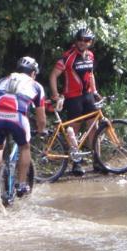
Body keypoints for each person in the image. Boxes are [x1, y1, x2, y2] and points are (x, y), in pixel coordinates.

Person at [0, 56, 47, 199]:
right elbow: (41, 118)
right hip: (17, 118)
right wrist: (41, 130)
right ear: (33, 73)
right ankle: (21, 184)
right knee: (24, 147)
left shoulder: (3, 80)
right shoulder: (36, 86)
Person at [48, 27, 101, 176]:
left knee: (94, 127)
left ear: (90, 42)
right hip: (73, 98)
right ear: (75, 41)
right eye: (80, 40)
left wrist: (95, 91)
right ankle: (76, 163)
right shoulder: (68, 57)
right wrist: (55, 94)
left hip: (88, 96)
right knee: (73, 130)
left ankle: (97, 161)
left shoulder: (90, 55)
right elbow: (53, 76)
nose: (83, 43)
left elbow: (91, 75)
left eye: (86, 40)